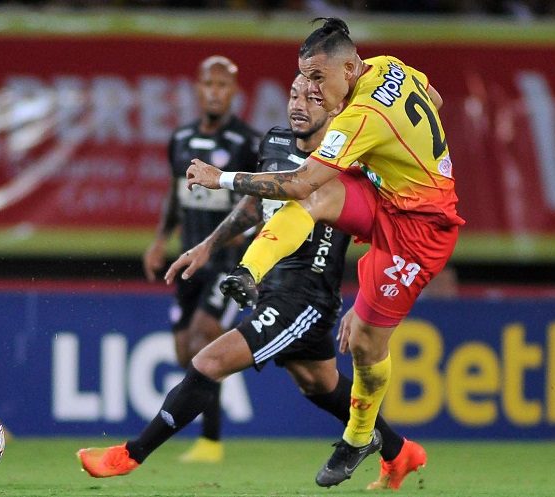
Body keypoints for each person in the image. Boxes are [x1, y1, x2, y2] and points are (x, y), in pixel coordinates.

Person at [77, 72, 427, 491]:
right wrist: (207, 244)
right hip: (272, 286)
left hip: (305, 298)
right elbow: (255, 205)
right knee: (319, 384)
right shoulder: (275, 142)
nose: (300, 104)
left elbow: (387, 232)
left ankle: (129, 456)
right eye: (295, 95)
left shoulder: (352, 162)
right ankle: (399, 451)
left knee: (208, 362)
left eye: (313, 98)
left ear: (336, 106)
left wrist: (365, 303)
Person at [185, 17, 464, 488]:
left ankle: (359, 438)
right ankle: (248, 272)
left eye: (318, 77)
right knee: (315, 200)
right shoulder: (387, 66)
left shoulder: (362, 118)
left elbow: (295, 180)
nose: (309, 89)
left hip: (420, 229)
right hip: (388, 198)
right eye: (304, 76)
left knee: (365, 343)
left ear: (350, 69)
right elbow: (433, 101)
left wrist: (222, 179)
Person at [141, 54, 261, 463]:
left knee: (202, 336)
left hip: (227, 262)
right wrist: (160, 240)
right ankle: (207, 434)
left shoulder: (248, 142)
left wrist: (255, 248)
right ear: (197, 88)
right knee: (182, 353)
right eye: (208, 84)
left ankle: (211, 442)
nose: (214, 92)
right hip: (189, 258)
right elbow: (175, 195)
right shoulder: (180, 139)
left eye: (223, 85)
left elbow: (263, 201)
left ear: (234, 93)